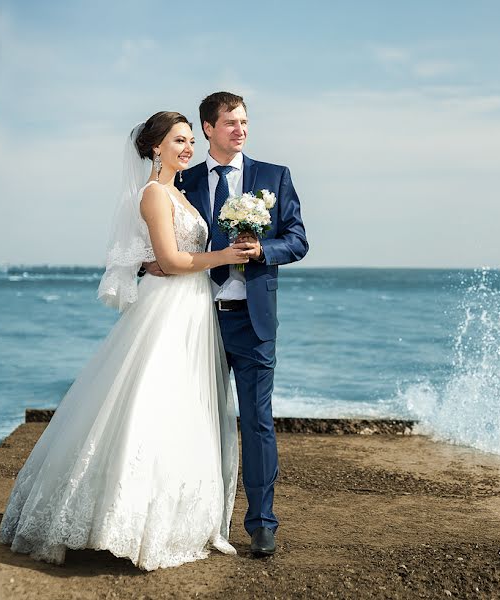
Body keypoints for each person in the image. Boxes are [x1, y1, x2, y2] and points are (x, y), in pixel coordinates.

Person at [0, 112, 250, 571]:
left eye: (191, 140)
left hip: (193, 309)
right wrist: (226, 255)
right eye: (179, 140)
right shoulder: (154, 194)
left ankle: (181, 519)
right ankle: (122, 522)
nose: (188, 147)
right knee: (148, 401)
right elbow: (171, 261)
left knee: (187, 406)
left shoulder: (181, 194)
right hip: (167, 308)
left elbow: (163, 258)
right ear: (156, 147)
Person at [143, 92, 308, 556]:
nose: (240, 129)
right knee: (193, 421)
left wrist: (264, 251)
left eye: (245, 121)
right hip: (196, 320)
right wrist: (150, 263)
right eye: (230, 122)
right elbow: (158, 235)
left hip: (253, 320)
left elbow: (298, 240)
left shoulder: (275, 177)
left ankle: (261, 524)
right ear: (208, 128)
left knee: (257, 422)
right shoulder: (183, 179)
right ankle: (190, 517)